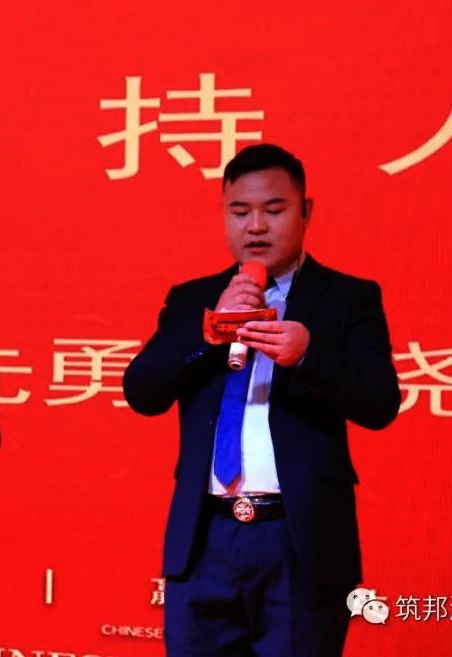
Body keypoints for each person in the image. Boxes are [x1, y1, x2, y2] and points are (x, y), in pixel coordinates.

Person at [123, 144, 401, 657]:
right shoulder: (193, 299)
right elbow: (141, 391)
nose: (255, 226)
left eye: (274, 210)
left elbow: (380, 403)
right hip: (205, 539)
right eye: (239, 212)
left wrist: (309, 356)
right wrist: (207, 333)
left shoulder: (347, 298)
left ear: (305, 211)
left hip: (298, 541)